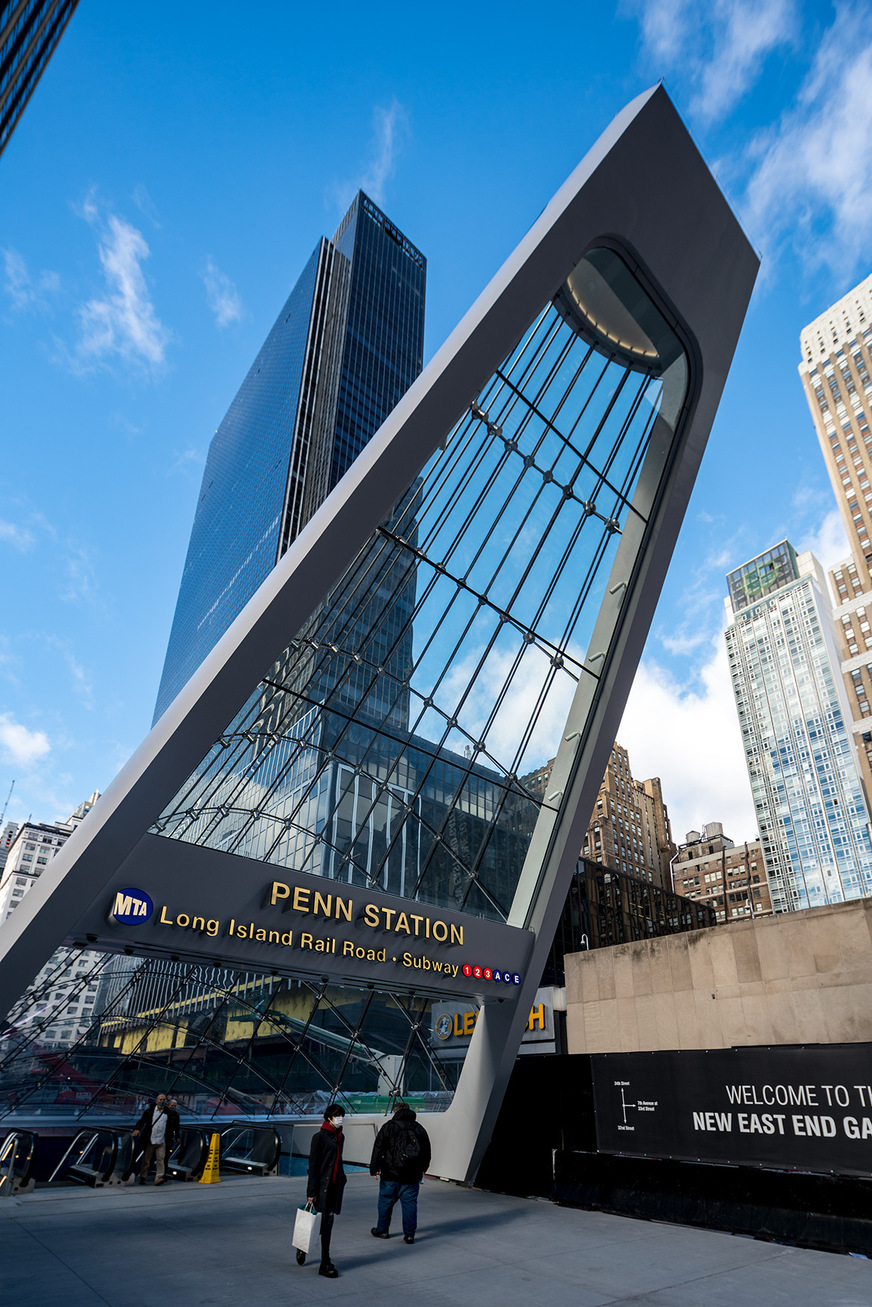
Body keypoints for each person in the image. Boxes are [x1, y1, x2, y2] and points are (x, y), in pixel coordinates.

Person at [369, 1101, 431, 1244]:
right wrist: (423, 1169)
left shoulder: (388, 1127)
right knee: (410, 1203)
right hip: (412, 1175)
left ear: (395, 1111)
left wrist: (374, 1168)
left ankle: (383, 1230)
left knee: (385, 1201)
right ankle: (409, 1235)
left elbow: (378, 1148)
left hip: (390, 1173)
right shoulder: (419, 1128)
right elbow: (426, 1151)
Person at [306, 1102, 347, 1278]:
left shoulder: (340, 1137)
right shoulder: (319, 1138)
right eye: (337, 1116)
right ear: (329, 1118)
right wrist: (311, 1192)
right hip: (321, 1187)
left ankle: (325, 1261)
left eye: (341, 1115)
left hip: (334, 1186)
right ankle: (303, 1247)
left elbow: (338, 1160)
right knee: (315, 1223)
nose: (340, 1119)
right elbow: (313, 1166)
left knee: (328, 1222)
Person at [132, 1093, 180, 1185]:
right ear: (156, 1101)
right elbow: (142, 1121)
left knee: (160, 1159)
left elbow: (174, 1126)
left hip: (162, 1140)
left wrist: (175, 1137)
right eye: (160, 1099)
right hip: (150, 1139)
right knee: (146, 1159)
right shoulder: (150, 1112)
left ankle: (159, 1177)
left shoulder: (168, 1113)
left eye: (164, 1100)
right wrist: (137, 1129)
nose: (162, 1101)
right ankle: (143, 1176)